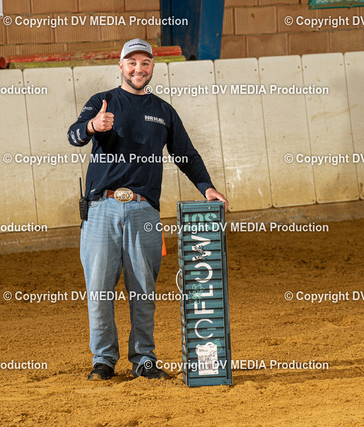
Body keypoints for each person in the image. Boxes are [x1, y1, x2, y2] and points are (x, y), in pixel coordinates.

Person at [68, 38, 228, 381]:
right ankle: (103, 360)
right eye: (132, 62)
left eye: (145, 63)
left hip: (144, 212)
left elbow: (186, 154)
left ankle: (144, 358)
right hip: (101, 208)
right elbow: (74, 135)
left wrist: (207, 186)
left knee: (143, 291)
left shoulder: (164, 111)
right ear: (121, 66)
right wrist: (93, 126)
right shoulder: (101, 102)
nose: (138, 69)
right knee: (99, 291)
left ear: (152, 67)